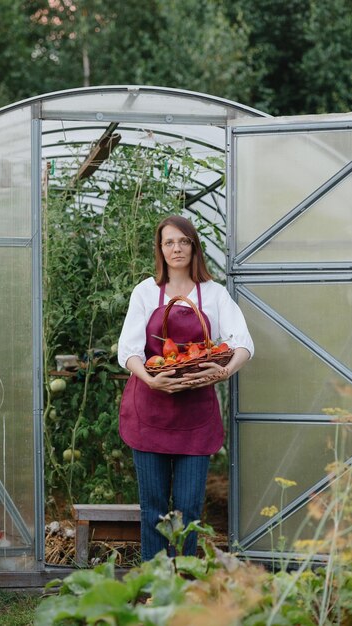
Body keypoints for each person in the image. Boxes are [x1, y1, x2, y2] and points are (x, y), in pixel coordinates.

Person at [117, 214, 254, 561]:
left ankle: (185, 585)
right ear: (160, 250)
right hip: (149, 412)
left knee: (190, 509)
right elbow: (128, 351)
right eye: (168, 242)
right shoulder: (146, 292)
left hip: (195, 416)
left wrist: (224, 373)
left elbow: (243, 344)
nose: (176, 248)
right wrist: (150, 378)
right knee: (153, 509)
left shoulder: (213, 294)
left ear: (193, 247)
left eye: (183, 241)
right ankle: (154, 587)